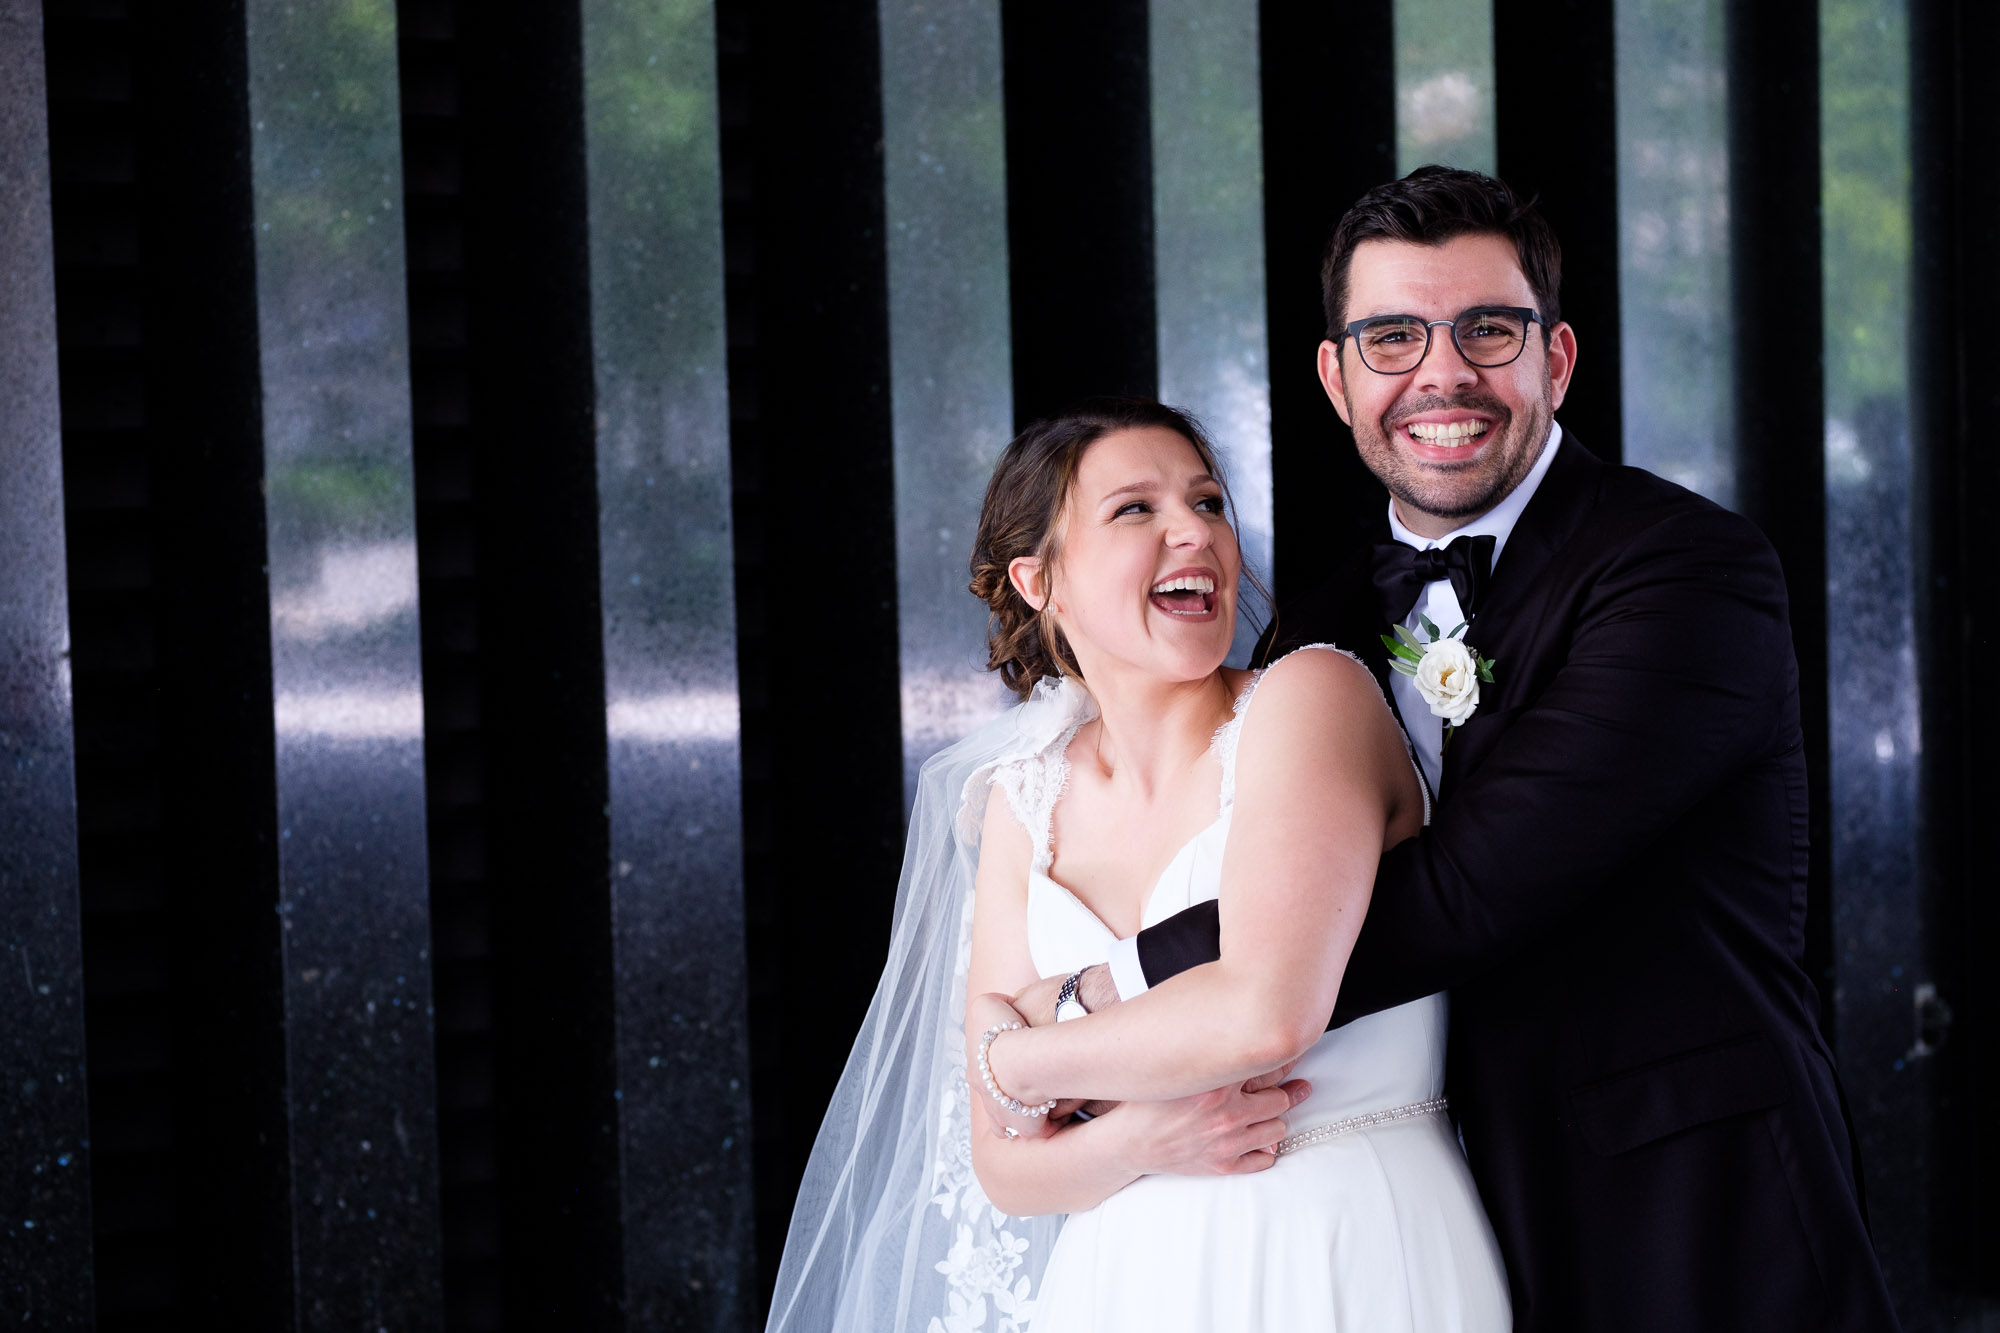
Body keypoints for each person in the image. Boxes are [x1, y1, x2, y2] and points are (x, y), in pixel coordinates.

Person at [998, 167, 1900, 1331]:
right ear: (1335, 378)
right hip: (1409, 1209)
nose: (1440, 374)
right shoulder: (1309, 629)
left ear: (1555, 359)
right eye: (1390, 336)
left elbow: (1468, 884)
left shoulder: (1685, 570)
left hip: (1679, 1199)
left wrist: (1094, 999)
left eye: (1486, 329)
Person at [764, 396, 1510, 1331]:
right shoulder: (1019, 798)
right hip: (1122, 1278)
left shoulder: (1308, 699)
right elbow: (1003, 1168)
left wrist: (1018, 1062)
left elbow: (1265, 1012)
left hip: (1340, 1241)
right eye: (1136, 510)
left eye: (1207, 503)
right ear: (1042, 581)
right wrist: (1146, 1137)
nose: (1192, 532)